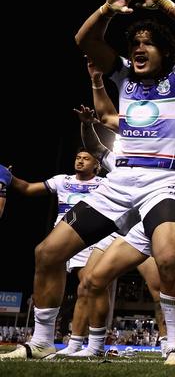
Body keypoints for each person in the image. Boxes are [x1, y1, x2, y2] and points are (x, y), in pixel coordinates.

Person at [5, 0, 175, 364]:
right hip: (117, 185)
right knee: (47, 253)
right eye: (134, 43)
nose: (137, 49)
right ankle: (41, 341)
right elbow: (84, 40)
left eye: (147, 43)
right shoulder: (123, 78)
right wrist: (106, 8)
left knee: (169, 260)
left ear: (165, 51)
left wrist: (161, 3)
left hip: (161, 184)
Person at [69, 58, 175, 359]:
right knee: (93, 279)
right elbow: (99, 149)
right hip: (135, 219)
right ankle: (93, 347)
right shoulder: (135, 139)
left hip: (173, 211)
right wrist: (90, 121)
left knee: (173, 274)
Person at [3, 147, 112, 357]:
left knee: (90, 286)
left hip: (92, 239)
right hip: (63, 237)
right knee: (50, 272)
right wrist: (8, 176)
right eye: (78, 157)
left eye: (86, 159)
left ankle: (89, 343)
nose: (80, 161)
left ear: (96, 165)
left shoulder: (104, 184)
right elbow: (26, 188)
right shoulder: (62, 180)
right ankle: (45, 340)